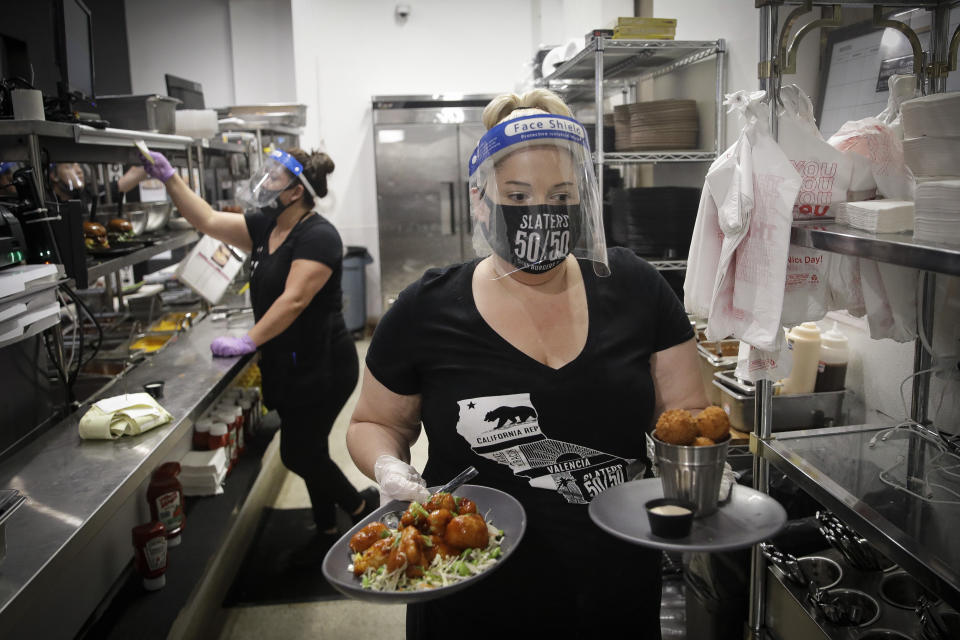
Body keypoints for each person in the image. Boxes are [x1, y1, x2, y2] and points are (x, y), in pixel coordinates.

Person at [346, 88, 708, 638]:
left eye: (561, 195)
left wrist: (701, 471)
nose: (541, 212)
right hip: (473, 591)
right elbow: (375, 421)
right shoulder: (427, 308)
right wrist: (389, 468)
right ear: (480, 199)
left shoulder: (634, 287)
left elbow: (687, 413)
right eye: (517, 195)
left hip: (612, 588)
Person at [141, 147, 377, 565]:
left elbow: (294, 301)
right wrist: (170, 178)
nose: (265, 182)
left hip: (323, 365)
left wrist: (249, 339)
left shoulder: (318, 235)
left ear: (295, 192)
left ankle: (360, 510)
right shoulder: (265, 226)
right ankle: (325, 527)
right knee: (312, 448)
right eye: (266, 174)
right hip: (287, 364)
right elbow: (207, 221)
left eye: (274, 177)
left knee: (298, 453)